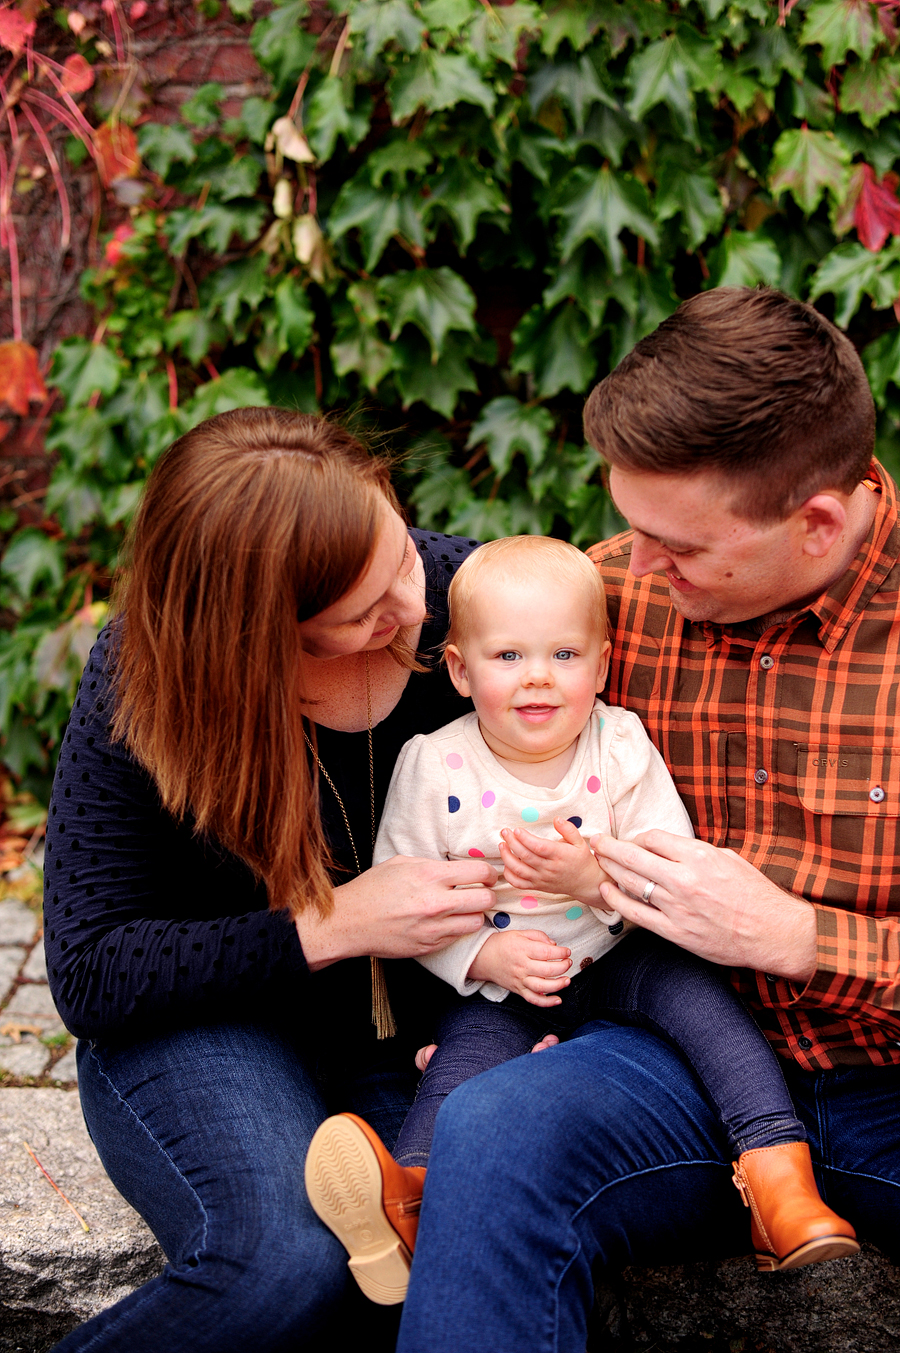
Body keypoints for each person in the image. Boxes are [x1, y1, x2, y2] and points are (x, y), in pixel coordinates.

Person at [393, 287, 900, 1353]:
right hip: (662, 1061)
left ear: (815, 522)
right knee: (490, 1134)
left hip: (887, 1085)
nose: (636, 570)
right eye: (629, 528)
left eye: (674, 546)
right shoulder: (610, 596)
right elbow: (401, 583)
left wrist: (807, 941)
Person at [42, 408, 498, 1353]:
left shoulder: (474, 596)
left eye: (401, 558)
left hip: (425, 1035)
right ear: (257, 634)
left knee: (432, 1259)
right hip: (209, 1028)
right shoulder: (146, 674)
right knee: (282, 1261)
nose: (413, 612)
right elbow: (90, 970)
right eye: (366, 612)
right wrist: (330, 925)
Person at [304, 535, 856, 1305]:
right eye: (508, 657)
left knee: (711, 1016)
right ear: (460, 670)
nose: (538, 677)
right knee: (463, 1069)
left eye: (565, 655)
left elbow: (674, 865)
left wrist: (593, 877)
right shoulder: (435, 765)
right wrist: (485, 953)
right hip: (505, 981)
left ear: (601, 665)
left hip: (624, 953)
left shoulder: (620, 744)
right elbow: (409, 901)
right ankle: (412, 1198)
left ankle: (778, 1177)